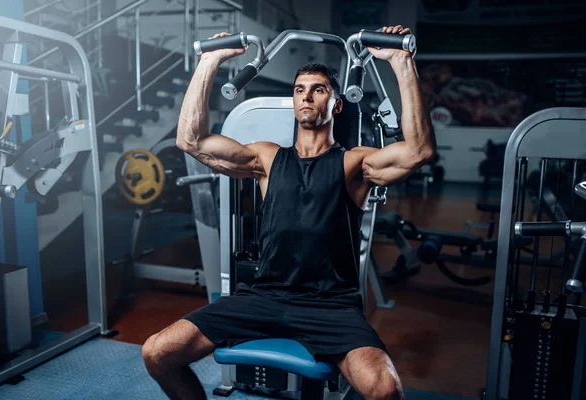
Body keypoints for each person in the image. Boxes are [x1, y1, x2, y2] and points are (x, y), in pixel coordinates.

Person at [142, 25, 435, 400]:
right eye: (299, 90)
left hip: (329, 306)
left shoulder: (353, 163)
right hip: (263, 297)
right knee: (157, 352)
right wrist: (209, 61)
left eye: (318, 89)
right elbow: (191, 140)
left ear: (337, 104)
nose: (306, 97)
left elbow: (420, 151)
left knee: (385, 390)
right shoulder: (267, 158)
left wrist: (400, 61)